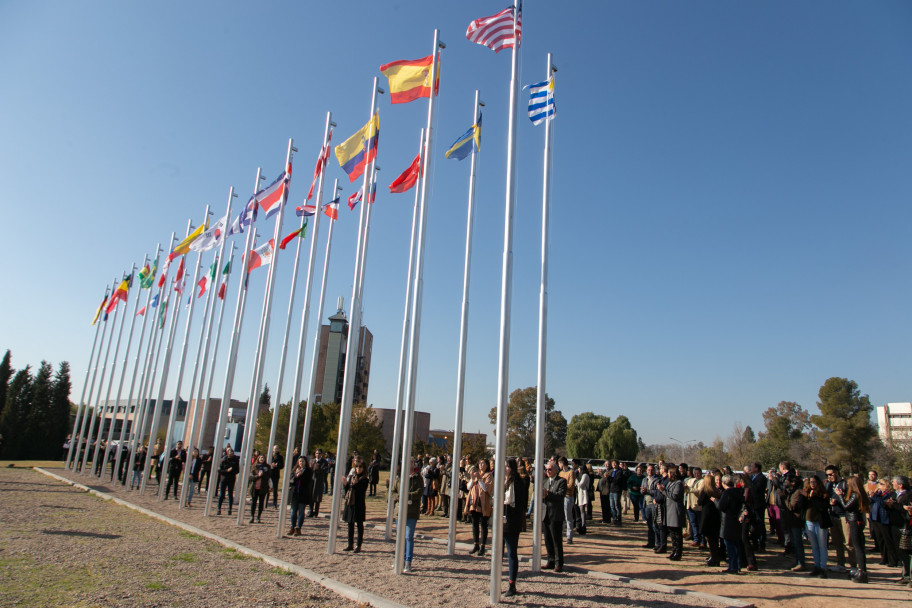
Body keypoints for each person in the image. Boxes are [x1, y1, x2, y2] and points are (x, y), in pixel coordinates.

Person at [833, 475, 870, 583]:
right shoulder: (859, 494)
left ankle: (862, 572)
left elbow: (846, 506)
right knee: (859, 547)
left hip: (855, 521)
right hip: (856, 520)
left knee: (858, 547)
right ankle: (862, 571)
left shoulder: (855, 495)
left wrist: (840, 496)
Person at [394, 459, 423, 573]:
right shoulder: (399, 477)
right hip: (399, 511)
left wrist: (406, 495)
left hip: (411, 512)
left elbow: (419, 492)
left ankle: (408, 561)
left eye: (411, 462)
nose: (409, 464)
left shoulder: (418, 477)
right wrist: (397, 496)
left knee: (408, 536)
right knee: (400, 537)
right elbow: (392, 491)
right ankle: (399, 559)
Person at [824, 464, 853, 573]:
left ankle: (853, 565)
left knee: (848, 542)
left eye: (831, 474)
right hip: (833, 515)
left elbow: (849, 499)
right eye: (827, 475)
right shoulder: (829, 485)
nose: (829, 477)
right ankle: (840, 564)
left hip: (843, 515)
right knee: (837, 542)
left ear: (837, 472)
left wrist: (839, 500)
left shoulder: (845, 484)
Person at [503, 458, 524, 598]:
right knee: (499, 552)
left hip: (511, 521)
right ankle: (497, 582)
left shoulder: (516, 482)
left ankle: (512, 584)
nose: (504, 468)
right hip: (503, 519)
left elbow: (513, 502)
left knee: (511, 552)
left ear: (511, 467)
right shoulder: (506, 481)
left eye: (506, 466)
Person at [541, 460, 567, 572]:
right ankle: (550, 560)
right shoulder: (545, 481)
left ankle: (558, 563)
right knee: (547, 540)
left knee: (556, 540)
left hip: (555, 515)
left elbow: (560, 496)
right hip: (545, 514)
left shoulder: (561, 481)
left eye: (550, 469)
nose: (548, 471)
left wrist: (548, 494)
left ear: (556, 470)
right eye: (546, 469)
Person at [716, 474, 744, 574]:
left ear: (724, 483)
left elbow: (721, 506)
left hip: (728, 520)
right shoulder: (738, 492)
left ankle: (733, 566)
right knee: (736, 544)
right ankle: (738, 565)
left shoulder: (727, 493)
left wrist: (715, 500)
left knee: (730, 545)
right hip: (736, 520)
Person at [465, 459, 493, 556]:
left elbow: (487, 489)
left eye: (483, 464)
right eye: (480, 463)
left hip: (483, 503)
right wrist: (472, 479)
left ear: (487, 465)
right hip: (474, 503)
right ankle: (476, 544)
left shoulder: (488, 475)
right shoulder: (476, 474)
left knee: (483, 525)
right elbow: (468, 487)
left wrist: (480, 479)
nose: (481, 465)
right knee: (474, 524)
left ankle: (483, 546)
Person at [804, 475, 829, 577]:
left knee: (822, 545)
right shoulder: (807, 493)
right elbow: (803, 506)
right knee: (814, 546)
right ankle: (816, 566)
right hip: (809, 521)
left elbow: (823, 507)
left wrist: (814, 497)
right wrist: (807, 497)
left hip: (820, 521)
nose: (812, 484)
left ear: (818, 483)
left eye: (814, 482)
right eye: (811, 482)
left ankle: (823, 568)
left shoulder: (823, 494)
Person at [342, 460, 369, 552]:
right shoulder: (352, 477)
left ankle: (358, 545)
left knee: (359, 525)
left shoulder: (365, 479)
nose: (358, 469)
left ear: (363, 469)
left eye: (360, 467)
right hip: (350, 504)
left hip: (359, 504)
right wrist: (345, 484)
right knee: (350, 524)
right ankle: (350, 544)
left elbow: (361, 491)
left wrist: (355, 484)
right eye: (357, 467)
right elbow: (348, 490)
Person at [661, 464, 686, 561]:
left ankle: (678, 553)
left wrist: (663, 491)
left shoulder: (679, 483)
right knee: (672, 533)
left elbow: (675, 496)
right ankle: (673, 550)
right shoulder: (671, 483)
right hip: (670, 510)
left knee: (677, 533)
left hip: (675, 510)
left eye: (669, 473)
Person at [698, 471, 722, 567]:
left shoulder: (706, 491)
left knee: (710, 539)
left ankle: (714, 558)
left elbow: (700, 502)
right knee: (714, 539)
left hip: (707, 517)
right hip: (715, 517)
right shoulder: (716, 491)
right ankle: (714, 556)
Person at [287, 455, 312, 536]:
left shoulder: (308, 471)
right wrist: (296, 476)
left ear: (305, 462)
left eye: (303, 461)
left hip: (303, 494)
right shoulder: (295, 470)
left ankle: (298, 528)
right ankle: (292, 527)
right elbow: (291, 481)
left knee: (301, 511)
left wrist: (300, 476)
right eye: (300, 461)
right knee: (293, 511)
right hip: (295, 493)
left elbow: (307, 481)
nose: (301, 463)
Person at [217, 446, 240, 516]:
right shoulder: (224, 460)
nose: (231, 453)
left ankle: (230, 509)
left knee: (230, 494)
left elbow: (237, 470)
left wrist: (232, 472)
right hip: (224, 478)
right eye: (230, 452)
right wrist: (226, 471)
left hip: (231, 479)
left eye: (232, 452)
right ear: (227, 453)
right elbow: (220, 470)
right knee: (221, 494)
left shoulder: (235, 461)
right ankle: (219, 509)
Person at [558, 457, 576, 543]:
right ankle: (560, 534)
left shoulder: (571, 472)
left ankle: (569, 536)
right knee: (561, 517)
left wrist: (562, 487)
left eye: (559, 464)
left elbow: (571, 485)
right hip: (561, 497)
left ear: (562, 463)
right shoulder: (560, 473)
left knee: (568, 517)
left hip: (568, 497)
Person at [248, 453, 270, 524]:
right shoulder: (254, 466)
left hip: (263, 488)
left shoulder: (267, 467)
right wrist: (258, 476)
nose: (262, 459)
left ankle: (258, 517)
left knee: (261, 503)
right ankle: (252, 516)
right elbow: (251, 477)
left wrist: (262, 475)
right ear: (258, 459)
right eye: (260, 458)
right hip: (255, 487)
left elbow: (268, 476)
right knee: (253, 503)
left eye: (263, 458)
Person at [574, 460, 590, 534]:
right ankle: (580, 525)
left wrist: (575, 480)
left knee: (582, 511)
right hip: (579, 494)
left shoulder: (585, 475)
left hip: (583, 494)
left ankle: (584, 526)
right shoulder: (580, 475)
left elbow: (581, 485)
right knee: (580, 511)